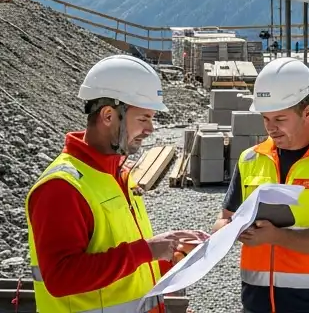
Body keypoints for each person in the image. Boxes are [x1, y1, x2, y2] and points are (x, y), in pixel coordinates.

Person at [27, 55, 208, 312]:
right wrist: (148, 251)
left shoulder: (118, 176)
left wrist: (169, 259)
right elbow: (60, 278)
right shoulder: (62, 187)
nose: (151, 129)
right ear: (109, 115)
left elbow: (124, 265)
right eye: (143, 118)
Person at [216, 58, 309, 313]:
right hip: (256, 305)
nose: (270, 128)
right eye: (265, 118)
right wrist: (232, 231)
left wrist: (275, 236)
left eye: (280, 119)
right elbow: (223, 220)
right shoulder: (251, 159)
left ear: (307, 113)